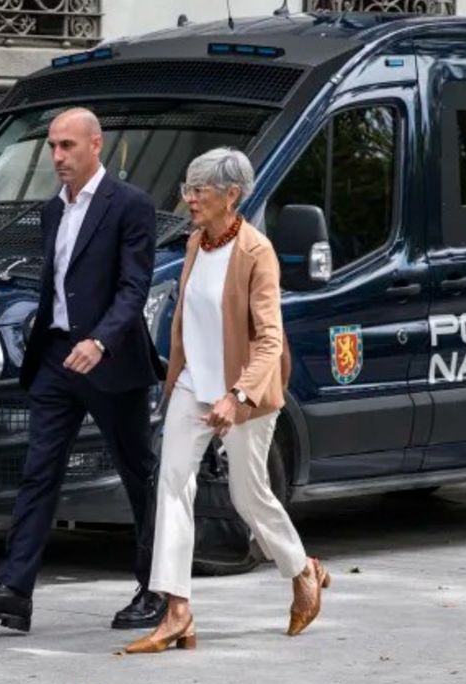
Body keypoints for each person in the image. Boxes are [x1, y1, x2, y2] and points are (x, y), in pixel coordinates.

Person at [0, 107, 167, 633]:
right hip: (54, 360)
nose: (57, 156)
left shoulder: (130, 206)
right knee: (38, 472)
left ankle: (157, 588)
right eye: (52, 146)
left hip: (110, 362)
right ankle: (13, 592)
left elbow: (133, 288)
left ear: (97, 145)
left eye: (67, 146)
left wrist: (99, 340)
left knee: (139, 474)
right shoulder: (52, 211)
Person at [123, 148, 329, 654]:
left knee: (248, 494)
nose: (187, 199)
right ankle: (177, 610)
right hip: (194, 384)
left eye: (199, 190)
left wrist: (237, 395)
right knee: (171, 485)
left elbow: (269, 340)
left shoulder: (257, 252)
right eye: (187, 188)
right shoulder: (195, 242)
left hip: (246, 394)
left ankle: (302, 568)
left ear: (231, 195)